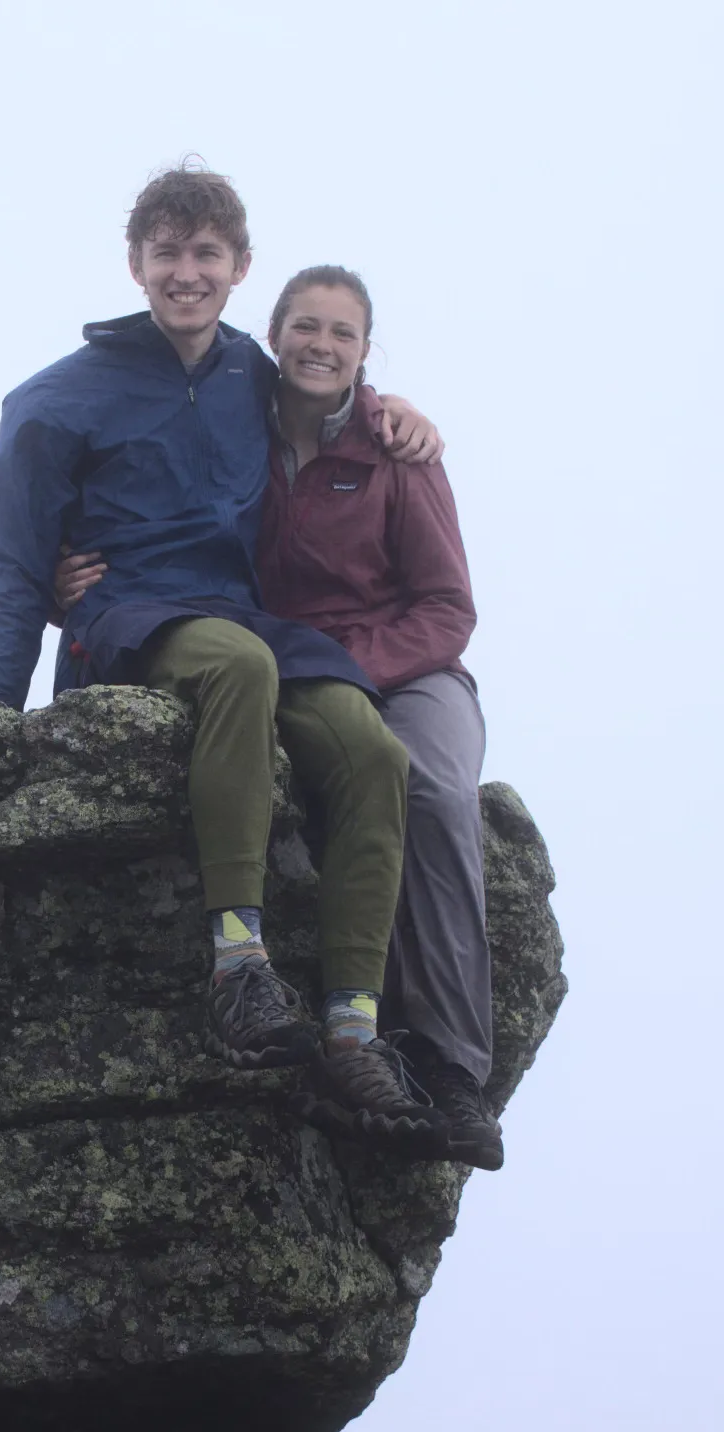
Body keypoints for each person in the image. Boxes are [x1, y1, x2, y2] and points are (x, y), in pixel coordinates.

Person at [0, 166, 448, 1142]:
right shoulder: (54, 401)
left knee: (368, 745)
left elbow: (336, 396)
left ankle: (354, 1028)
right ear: (135, 263)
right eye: (167, 253)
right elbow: (15, 565)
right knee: (237, 663)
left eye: (205, 254)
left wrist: (399, 412)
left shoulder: (252, 377)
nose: (185, 273)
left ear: (239, 268)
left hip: (241, 614)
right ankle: (239, 964)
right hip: (127, 617)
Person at [54, 263, 503, 1168]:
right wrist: (75, 570)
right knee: (330, 745)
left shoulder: (393, 448)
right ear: (274, 333)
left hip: (408, 664)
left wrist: (354, 670)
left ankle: (449, 1065)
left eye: (343, 334)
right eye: (305, 327)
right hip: (274, 652)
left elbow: (448, 608)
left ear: (366, 352)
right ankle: (292, 1001)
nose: (321, 346)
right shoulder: (237, 417)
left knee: (434, 790)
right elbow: (160, 502)